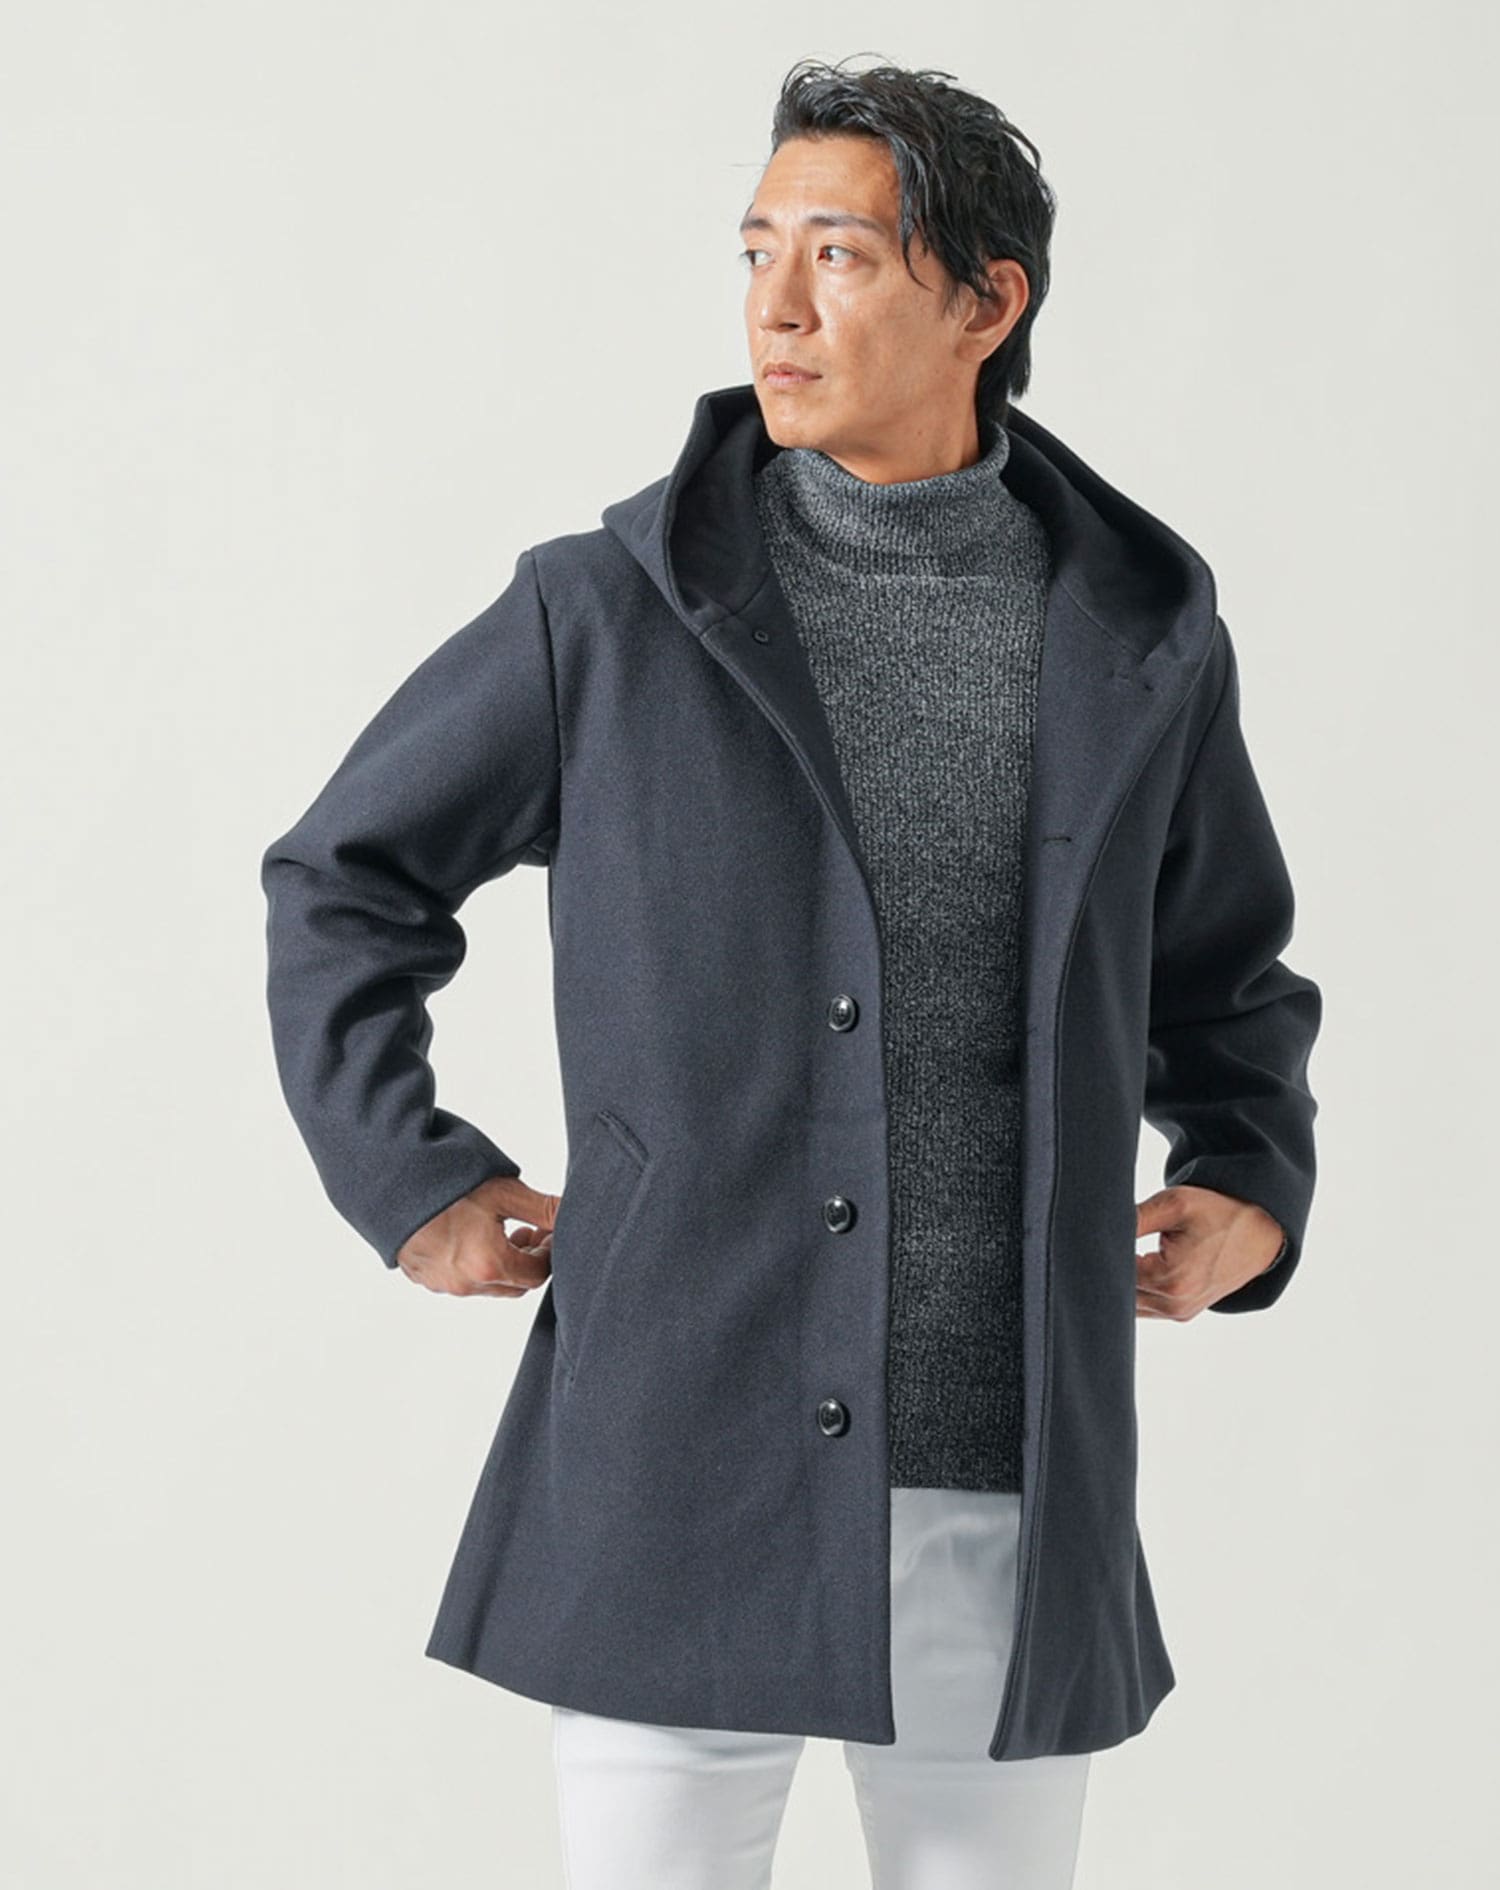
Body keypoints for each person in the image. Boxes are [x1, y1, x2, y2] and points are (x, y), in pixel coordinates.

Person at [260, 56, 1320, 1890]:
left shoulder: (1138, 632)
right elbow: (342, 878)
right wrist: (405, 1172)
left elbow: (1223, 969)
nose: (775, 303)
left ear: (986, 303)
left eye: (838, 255)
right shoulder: (605, 610)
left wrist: (1250, 1175)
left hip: (1004, 1473)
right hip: (684, 1454)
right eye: (757, 251)